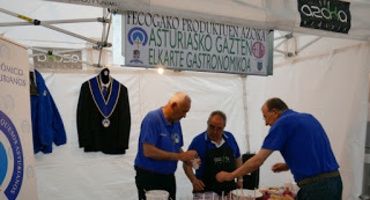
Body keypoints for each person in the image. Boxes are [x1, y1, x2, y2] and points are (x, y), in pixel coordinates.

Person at [216, 97, 342, 200]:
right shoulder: (309, 118)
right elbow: (313, 151)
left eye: (265, 116)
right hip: (335, 182)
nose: (266, 123)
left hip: (316, 189)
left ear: (275, 112)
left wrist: (230, 175)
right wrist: (287, 165)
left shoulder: (282, 123)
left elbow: (257, 161)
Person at [134, 92, 198, 200]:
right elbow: (148, 151)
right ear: (173, 105)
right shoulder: (152, 119)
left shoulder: (176, 122)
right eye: (184, 111)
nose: (185, 116)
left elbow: (176, 147)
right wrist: (179, 157)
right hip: (150, 177)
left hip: (168, 177)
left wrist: (188, 159)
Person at [183, 110, 243, 196]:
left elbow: (237, 158)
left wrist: (240, 179)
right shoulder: (198, 141)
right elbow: (186, 164)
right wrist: (194, 180)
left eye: (219, 128)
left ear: (224, 127)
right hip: (206, 191)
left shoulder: (230, 138)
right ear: (207, 123)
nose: (215, 131)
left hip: (229, 190)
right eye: (212, 127)